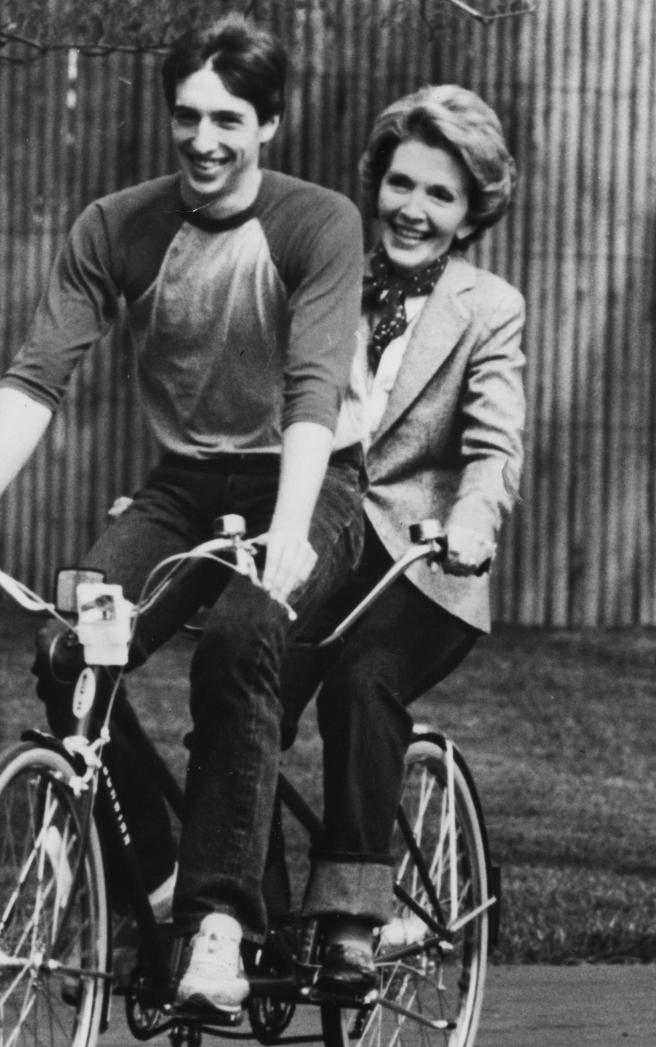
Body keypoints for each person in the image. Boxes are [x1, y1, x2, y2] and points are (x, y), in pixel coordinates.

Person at [0, 16, 366, 1019]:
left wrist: (289, 533)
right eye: (188, 117)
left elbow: (315, 392)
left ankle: (219, 925)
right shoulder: (117, 225)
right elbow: (37, 379)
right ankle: (157, 876)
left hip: (313, 477)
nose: (204, 139)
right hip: (187, 486)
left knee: (241, 639)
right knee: (72, 649)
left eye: (230, 120)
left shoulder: (317, 222)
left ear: (270, 126)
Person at [278, 83, 526, 995]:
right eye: (402, 183)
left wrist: (470, 518)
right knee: (245, 679)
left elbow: (494, 444)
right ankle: (246, 906)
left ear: (471, 213)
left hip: (425, 569)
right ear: (375, 180)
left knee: (360, 682)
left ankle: (350, 914)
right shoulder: (327, 274)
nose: (413, 210)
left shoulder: (489, 306)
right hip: (324, 535)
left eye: (442, 195)